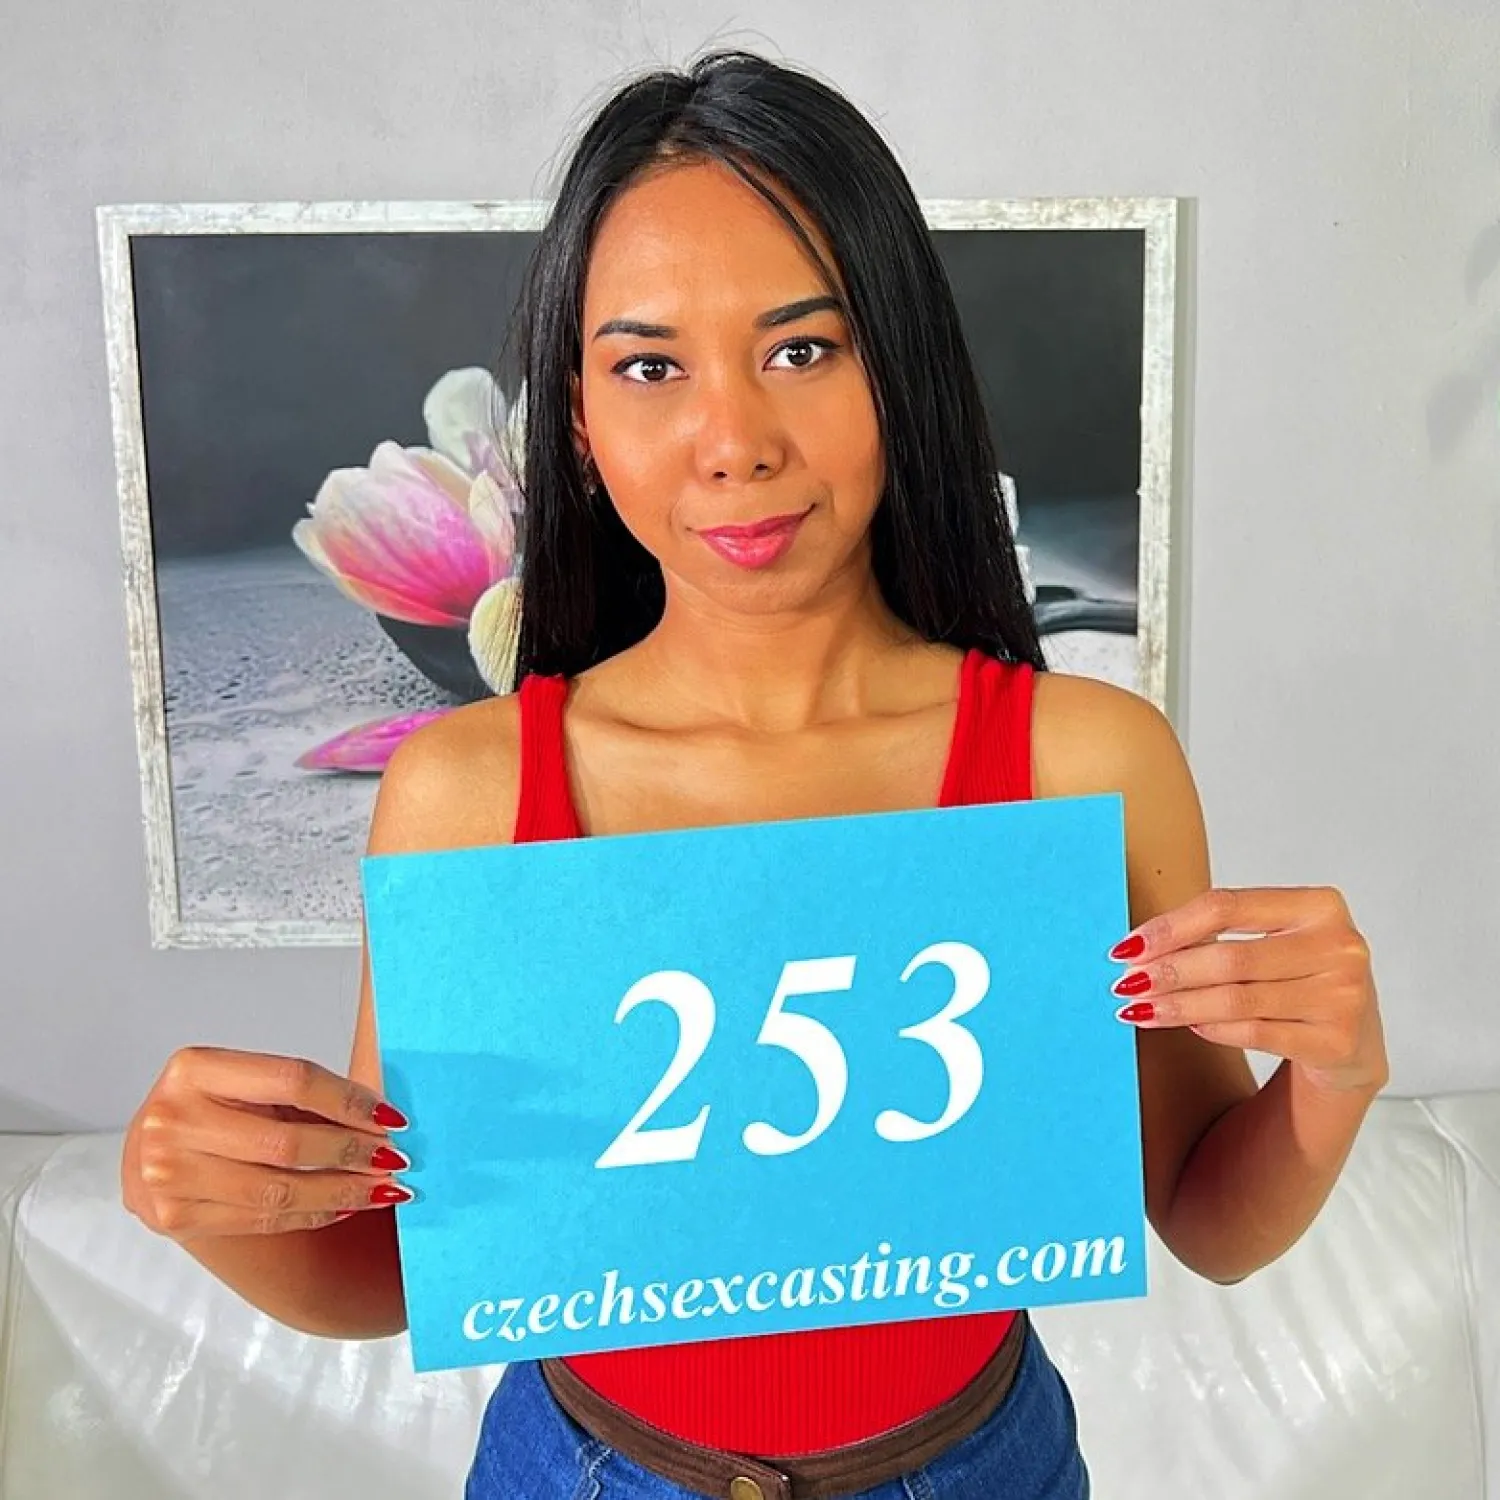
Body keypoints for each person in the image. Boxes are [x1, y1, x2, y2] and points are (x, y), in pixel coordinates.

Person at [119, 49, 1389, 1500]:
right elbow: (408, 1267)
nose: (735, 443)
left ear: (898, 371)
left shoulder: (1082, 761)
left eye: (802, 350)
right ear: (579, 424)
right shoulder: (468, 791)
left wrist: (1335, 1073)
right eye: (651, 367)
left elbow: (1207, 1216)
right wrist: (202, 1204)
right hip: (582, 1467)